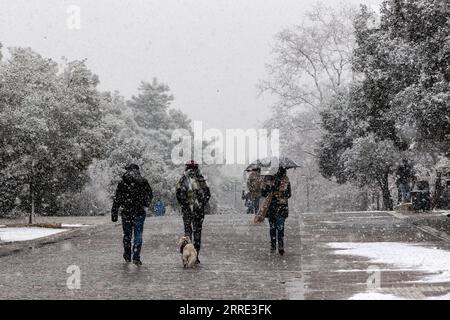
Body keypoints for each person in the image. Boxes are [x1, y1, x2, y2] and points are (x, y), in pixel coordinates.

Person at [111, 164, 153, 265]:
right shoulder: (143, 181)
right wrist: (145, 203)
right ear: (137, 170)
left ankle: (127, 254)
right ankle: (136, 256)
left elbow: (117, 198)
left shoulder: (123, 182)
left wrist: (114, 212)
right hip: (139, 212)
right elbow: (150, 194)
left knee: (127, 235)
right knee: (138, 235)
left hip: (126, 212)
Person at [176, 160, 211, 264]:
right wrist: (202, 204)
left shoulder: (183, 179)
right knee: (197, 232)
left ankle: (186, 254)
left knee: (187, 232)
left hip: (187, 210)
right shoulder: (201, 179)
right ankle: (196, 255)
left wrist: (184, 205)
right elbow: (208, 194)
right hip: (198, 210)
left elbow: (178, 194)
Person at [261, 167, 291, 255]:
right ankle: (279, 246)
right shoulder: (284, 181)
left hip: (273, 208)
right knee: (279, 228)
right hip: (280, 208)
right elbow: (288, 194)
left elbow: (263, 194)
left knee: (273, 228)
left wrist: (273, 191)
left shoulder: (269, 181)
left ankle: (274, 246)